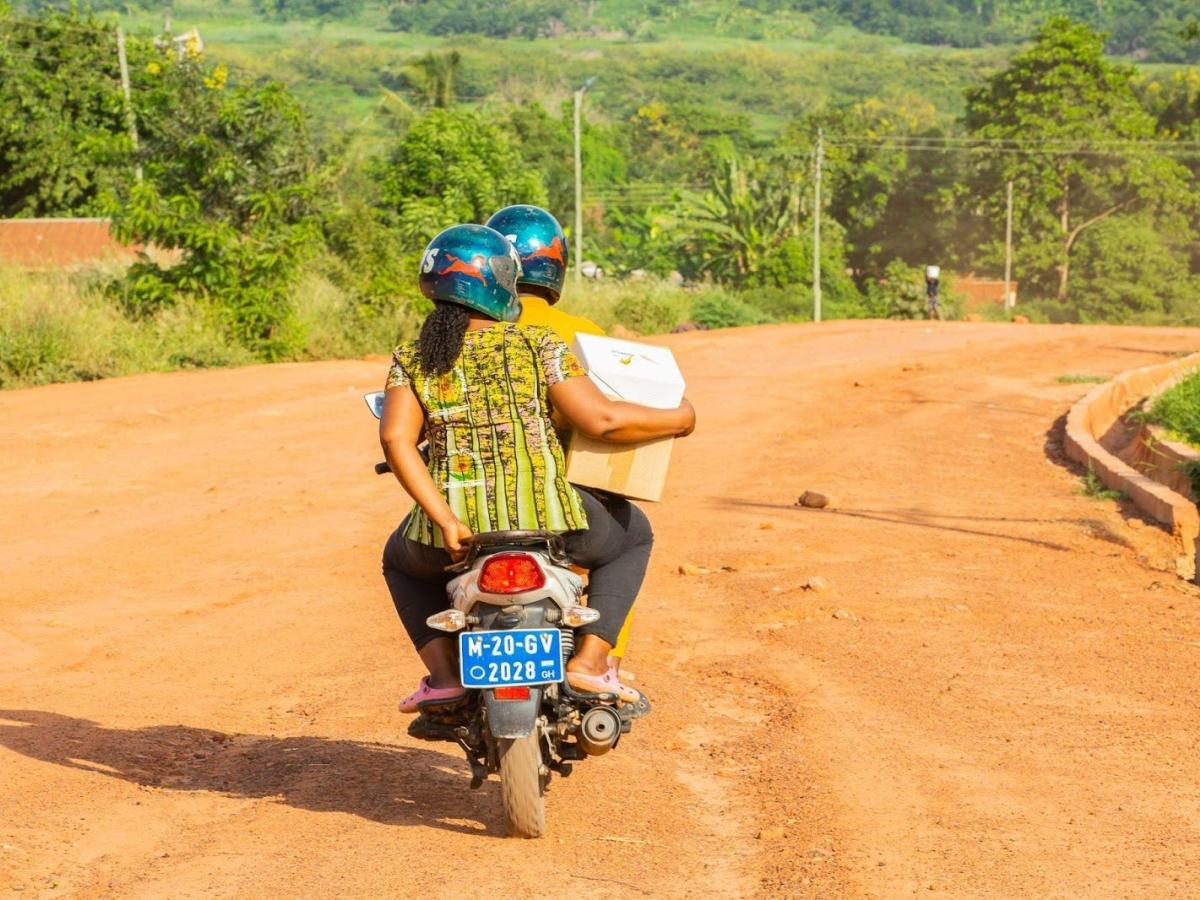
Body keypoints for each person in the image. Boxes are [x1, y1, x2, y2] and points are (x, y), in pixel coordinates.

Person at [380, 223, 695, 713]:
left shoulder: (413, 359)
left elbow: (395, 439)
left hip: (457, 531)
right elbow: (601, 420)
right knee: (634, 536)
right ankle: (590, 664)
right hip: (550, 519)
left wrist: (444, 520)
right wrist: (680, 417)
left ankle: (444, 677)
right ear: (503, 285)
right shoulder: (537, 344)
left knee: (398, 560)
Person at [485, 204, 638, 670]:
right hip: (565, 502)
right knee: (632, 538)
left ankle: (444, 667)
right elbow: (610, 418)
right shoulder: (582, 335)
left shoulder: (467, 329)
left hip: (476, 503)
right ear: (556, 266)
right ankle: (599, 660)